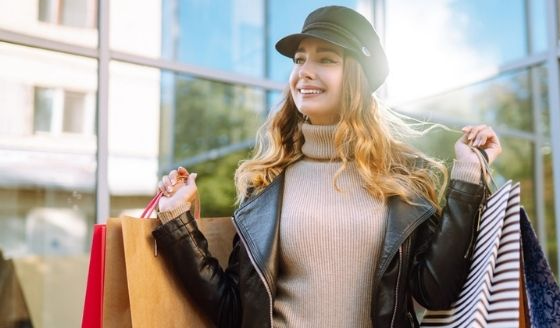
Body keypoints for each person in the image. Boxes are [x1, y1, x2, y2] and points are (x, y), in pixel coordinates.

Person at [152, 5, 502, 328]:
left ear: (357, 77)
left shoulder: (402, 179)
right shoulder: (267, 182)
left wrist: (468, 177)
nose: (304, 72)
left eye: (326, 59)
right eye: (299, 60)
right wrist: (178, 224)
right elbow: (234, 311)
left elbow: (435, 291)